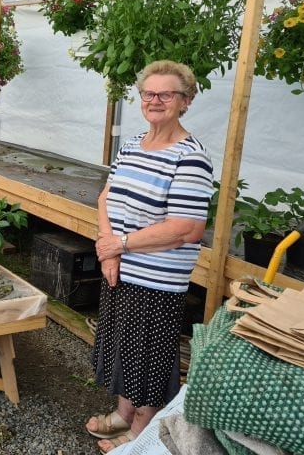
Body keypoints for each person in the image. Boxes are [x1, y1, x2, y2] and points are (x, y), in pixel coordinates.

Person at [86, 60, 213, 453]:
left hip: (157, 279)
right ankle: (124, 412)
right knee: (124, 346)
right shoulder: (132, 145)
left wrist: (121, 246)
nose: (154, 100)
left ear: (185, 101)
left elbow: (185, 228)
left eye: (166, 94)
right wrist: (108, 250)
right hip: (120, 269)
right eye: (148, 93)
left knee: (149, 355)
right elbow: (106, 197)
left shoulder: (190, 158)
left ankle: (141, 431)